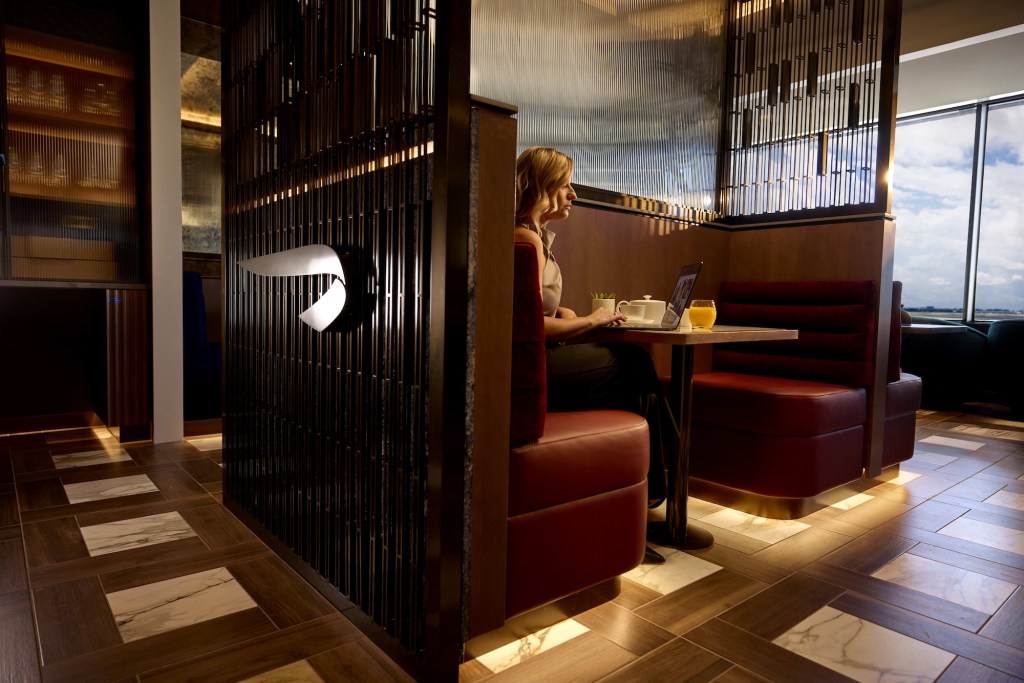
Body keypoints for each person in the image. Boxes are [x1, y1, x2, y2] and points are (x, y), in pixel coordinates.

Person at [513, 146, 669, 503]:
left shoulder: (533, 236)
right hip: (527, 370)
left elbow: (527, 310)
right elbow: (524, 329)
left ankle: (637, 493)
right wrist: (592, 319)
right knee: (634, 363)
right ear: (542, 186)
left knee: (632, 374)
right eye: (565, 185)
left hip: (537, 360)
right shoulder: (526, 239)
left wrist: (564, 313)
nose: (574, 194)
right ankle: (655, 492)